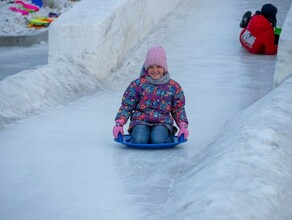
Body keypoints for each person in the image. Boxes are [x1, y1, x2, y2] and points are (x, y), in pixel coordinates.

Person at [113, 46, 189, 144]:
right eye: (151, 67)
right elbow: (127, 105)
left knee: (158, 140)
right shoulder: (138, 84)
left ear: (164, 68)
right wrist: (119, 124)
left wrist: (183, 126)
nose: (155, 70)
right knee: (140, 140)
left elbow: (178, 108)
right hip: (140, 121)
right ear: (146, 68)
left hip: (162, 122)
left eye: (158, 66)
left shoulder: (173, 87)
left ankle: (165, 136)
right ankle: (139, 135)